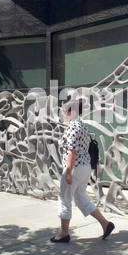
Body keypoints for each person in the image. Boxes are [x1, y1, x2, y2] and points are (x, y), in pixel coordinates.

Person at [50, 99, 115, 243]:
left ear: (71, 112)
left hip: (75, 168)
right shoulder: (82, 125)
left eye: (63, 111)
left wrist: (68, 172)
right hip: (85, 168)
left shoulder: (73, 127)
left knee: (64, 199)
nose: (61, 113)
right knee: (81, 198)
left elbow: (72, 152)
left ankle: (64, 234)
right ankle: (106, 224)